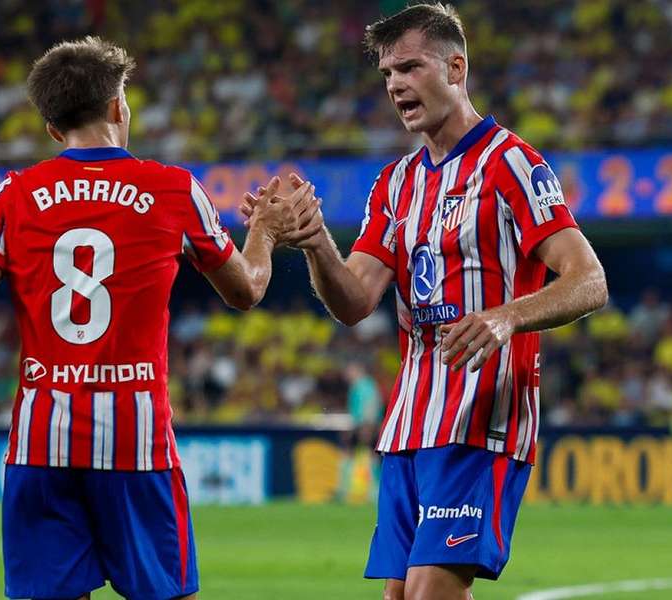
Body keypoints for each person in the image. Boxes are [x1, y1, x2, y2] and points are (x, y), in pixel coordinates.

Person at [0, 37, 320, 600]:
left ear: (54, 129)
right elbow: (248, 290)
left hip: (40, 446)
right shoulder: (175, 189)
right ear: (117, 109)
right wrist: (265, 232)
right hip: (137, 444)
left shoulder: (12, 196)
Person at [243, 3, 608, 599]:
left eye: (410, 67)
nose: (395, 85)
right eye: (388, 74)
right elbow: (356, 299)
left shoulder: (512, 164)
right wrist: (314, 243)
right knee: (398, 596)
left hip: (481, 419)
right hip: (410, 424)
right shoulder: (396, 183)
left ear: (456, 68)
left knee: (428, 593)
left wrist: (505, 316)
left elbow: (589, 278)